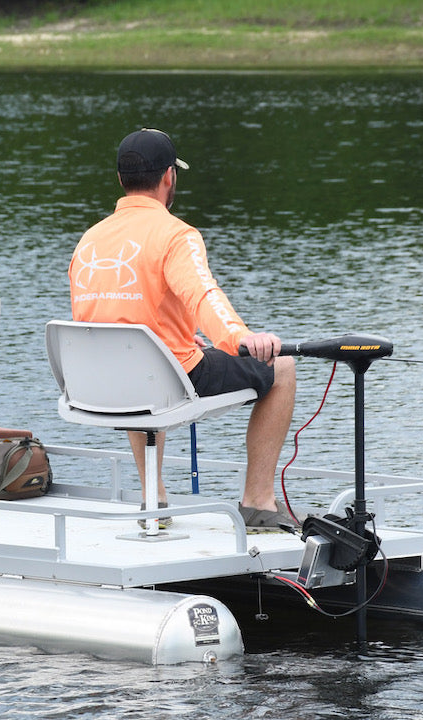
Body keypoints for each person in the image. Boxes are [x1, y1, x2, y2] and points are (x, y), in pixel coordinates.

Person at [68, 128, 297, 530]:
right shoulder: (176, 234)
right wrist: (241, 339)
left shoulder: (90, 239)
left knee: (136, 364)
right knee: (282, 369)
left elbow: (104, 316)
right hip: (166, 379)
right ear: (169, 177)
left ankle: (152, 497)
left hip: (100, 384)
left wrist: (176, 334)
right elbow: (203, 295)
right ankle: (257, 501)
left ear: (121, 179)